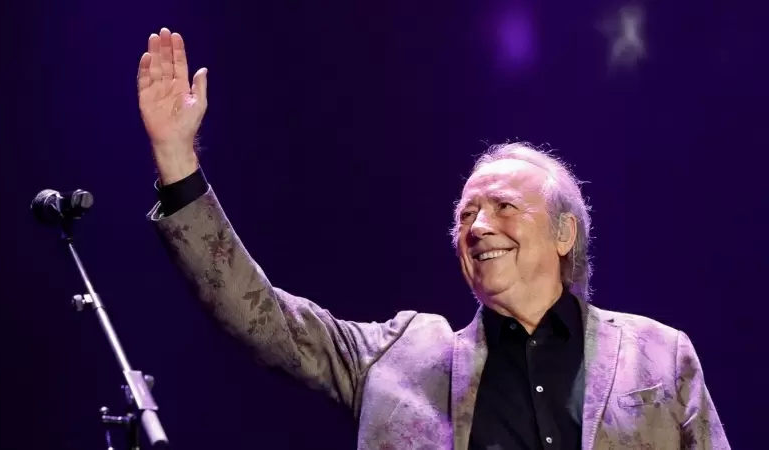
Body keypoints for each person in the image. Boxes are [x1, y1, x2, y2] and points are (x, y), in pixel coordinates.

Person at [137, 27, 730, 450]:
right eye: (466, 214)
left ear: (563, 233)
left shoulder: (659, 353)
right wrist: (175, 157)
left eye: (503, 207)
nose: (478, 227)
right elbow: (262, 319)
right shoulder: (398, 357)